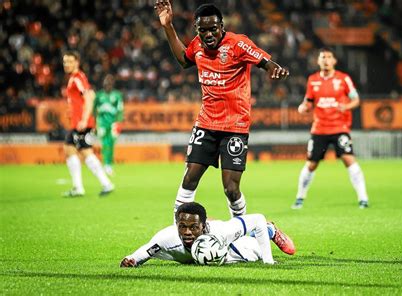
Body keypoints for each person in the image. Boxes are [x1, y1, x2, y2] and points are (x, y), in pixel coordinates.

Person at [154, 2, 290, 217]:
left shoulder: (237, 44)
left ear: (222, 26)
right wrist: (168, 26)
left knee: (231, 189)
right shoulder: (197, 45)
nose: (208, 34)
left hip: (235, 126)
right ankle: (179, 232)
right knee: (189, 179)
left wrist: (273, 68)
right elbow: (183, 60)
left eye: (213, 29)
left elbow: (264, 60)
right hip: (206, 124)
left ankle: (242, 231)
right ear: (197, 30)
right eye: (202, 30)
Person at [291, 47, 369, 210]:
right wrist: (303, 107)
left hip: (340, 127)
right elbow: (308, 101)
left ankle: (363, 198)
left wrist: (346, 106)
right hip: (319, 129)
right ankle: (299, 197)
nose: (326, 60)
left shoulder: (343, 79)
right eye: (322, 57)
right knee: (311, 164)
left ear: (334, 61)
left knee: (349, 159)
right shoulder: (312, 80)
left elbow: (356, 100)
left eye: (329, 57)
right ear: (318, 61)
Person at [120, 202, 295, 267]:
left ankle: (271, 230)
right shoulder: (167, 238)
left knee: (252, 252)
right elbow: (145, 251)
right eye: (182, 226)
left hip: (227, 245)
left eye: (194, 227)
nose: (187, 232)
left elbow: (257, 218)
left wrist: (268, 261)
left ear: (204, 227)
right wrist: (132, 259)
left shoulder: (221, 232)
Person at [62, 51, 114, 197]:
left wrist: (84, 119)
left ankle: (103, 184)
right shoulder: (74, 78)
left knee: (83, 151)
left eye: (70, 61)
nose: (67, 64)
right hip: (77, 122)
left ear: (77, 62)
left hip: (81, 123)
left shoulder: (78, 78)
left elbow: (90, 96)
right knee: (70, 149)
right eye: (65, 62)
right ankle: (82, 187)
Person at [94, 74, 124, 176]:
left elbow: (120, 110)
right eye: (106, 82)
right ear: (103, 83)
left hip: (113, 124)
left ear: (112, 84)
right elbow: (94, 110)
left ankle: (109, 165)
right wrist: (94, 122)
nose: (108, 84)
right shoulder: (98, 95)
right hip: (102, 123)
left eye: (110, 83)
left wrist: (118, 122)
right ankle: (106, 165)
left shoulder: (117, 95)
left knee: (111, 144)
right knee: (105, 144)